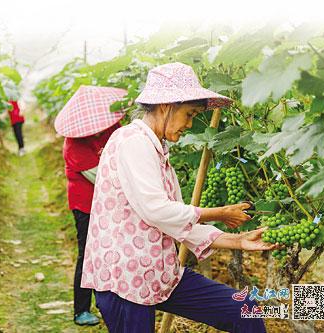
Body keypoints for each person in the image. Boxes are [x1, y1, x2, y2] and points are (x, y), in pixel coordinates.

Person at [80, 63, 277, 333]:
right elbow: (157, 211)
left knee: (243, 310)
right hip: (126, 281)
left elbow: (175, 221)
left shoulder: (156, 149)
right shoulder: (132, 142)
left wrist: (238, 241)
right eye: (189, 114)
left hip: (159, 274)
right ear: (165, 105)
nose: (189, 123)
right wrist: (220, 212)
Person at [55, 85, 128, 326]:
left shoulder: (112, 128)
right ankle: (81, 310)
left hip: (109, 204)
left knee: (113, 252)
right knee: (87, 254)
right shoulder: (73, 145)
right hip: (86, 206)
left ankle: (110, 303)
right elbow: (104, 178)